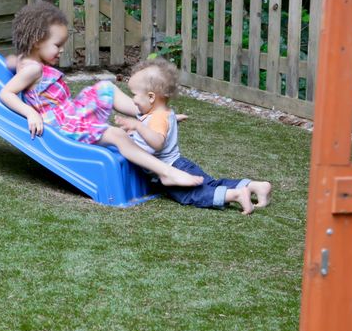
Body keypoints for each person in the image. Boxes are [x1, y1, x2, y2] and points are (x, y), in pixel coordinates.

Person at [0, 2, 202, 188]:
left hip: (69, 111)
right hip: (60, 125)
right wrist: (30, 113)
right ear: (36, 42)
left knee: (107, 87)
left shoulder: (24, 61)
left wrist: (13, 61)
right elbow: (6, 93)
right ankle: (166, 172)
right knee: (117, 135)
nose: (61, 51)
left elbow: (10, 61)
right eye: (57, 45)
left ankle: (151, 116)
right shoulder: (32, 70)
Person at [115, 57, 273, 214]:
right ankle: (254, 186)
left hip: (174, 169)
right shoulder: (163, 113)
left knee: (194, 194)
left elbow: (157, 142)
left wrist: (137, 126)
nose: (133, 100)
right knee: (211, 184)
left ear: (151, 97)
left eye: (134, 94)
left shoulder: (157, 118)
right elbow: (156, 132)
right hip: (180, 164)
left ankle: (235, 195)